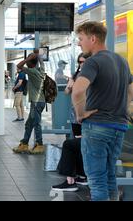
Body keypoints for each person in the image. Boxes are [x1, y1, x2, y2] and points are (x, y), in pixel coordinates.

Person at [72, 21, 133, 201]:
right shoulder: (121, 61)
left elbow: (78, 90)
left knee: (97, 181)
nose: (79, 43)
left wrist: (80, 114)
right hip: (118, 127)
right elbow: (131, 92)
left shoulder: (93, 62)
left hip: (97, 126)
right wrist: (119, 107)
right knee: (110, 178)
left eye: (81, 39)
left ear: (93, 38)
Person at [51, 53, 90, 192]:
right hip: (75, 115)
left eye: (84, 61)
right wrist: (70, 85)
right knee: (78, 145)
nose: (81, 64)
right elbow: (67, 91)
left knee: (78, 146)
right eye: (80, 62)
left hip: (85, 116)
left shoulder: (91, 76)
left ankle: (78, 177)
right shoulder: (75, 76)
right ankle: (81, 175)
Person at [13, 49, 46, 154]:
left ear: (29, 63)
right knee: (29, 123)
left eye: (27, 61)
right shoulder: (41, 70)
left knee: (36, 123)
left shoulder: (32, 71)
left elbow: (18, 66)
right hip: (40, 101)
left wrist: (28, 58)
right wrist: (37, 56)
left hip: (36, 102)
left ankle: (39, 144)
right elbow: (41, 62)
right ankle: (24, 143)